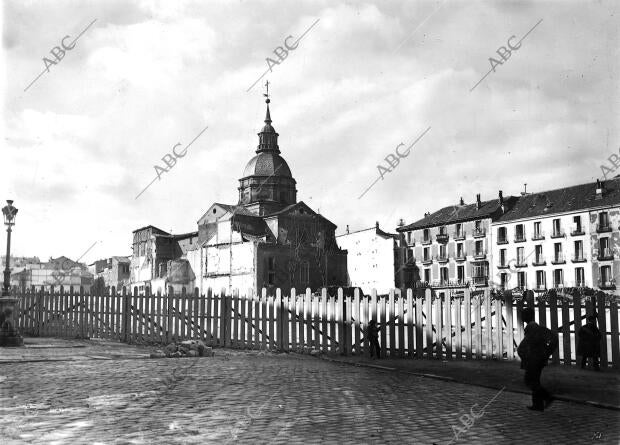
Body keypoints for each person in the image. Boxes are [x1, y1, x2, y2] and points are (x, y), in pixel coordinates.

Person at [517, 307, 558, 411]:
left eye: (523, 315)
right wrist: (546, 353)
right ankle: (538, 405)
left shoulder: (532, 328)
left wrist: (544, 354)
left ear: (527, 316)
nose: (521, 317)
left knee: (529, 381)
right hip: (537, 359)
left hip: (534, 360)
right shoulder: (535, 328)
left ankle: (547, 397)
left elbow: (528, 344)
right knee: (535, 381)